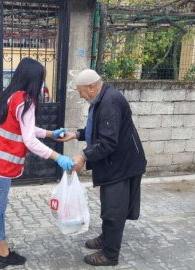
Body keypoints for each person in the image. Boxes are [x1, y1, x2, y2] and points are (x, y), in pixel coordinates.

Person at [0, 58, 74, 270]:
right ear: (34, 80)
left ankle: (3, 254)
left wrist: (49, 134)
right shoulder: (26, 100)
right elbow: (29, 140)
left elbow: (24, 128)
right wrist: (58, 157)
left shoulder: (10, 96)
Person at [58, 69, 147, 266]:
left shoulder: (110, 102)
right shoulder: (101, 98)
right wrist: (76, 134)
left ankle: (109, 254)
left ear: (91, 86)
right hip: (115, 162)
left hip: (122, 165)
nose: (80, 96)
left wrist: (83, 156)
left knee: (114, 210)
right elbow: (98, 130)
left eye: (81, 91)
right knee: (109, 207)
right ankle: (107, 238)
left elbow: (107, 141)